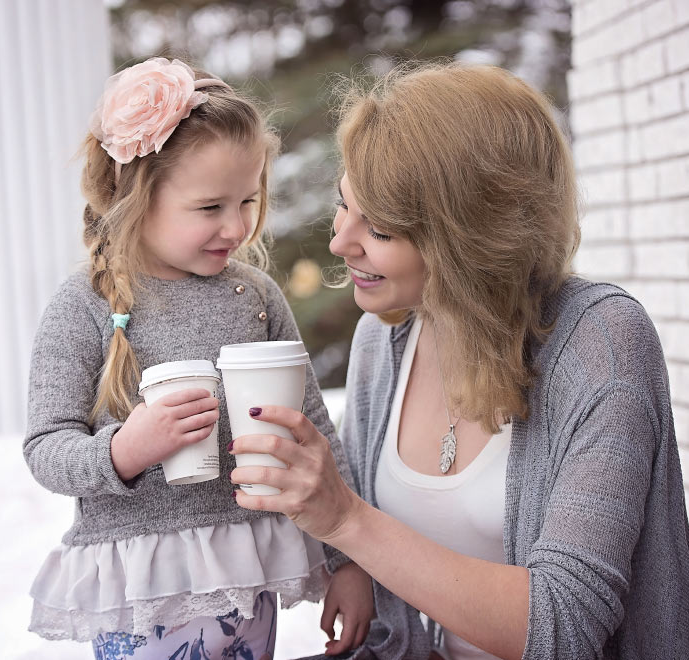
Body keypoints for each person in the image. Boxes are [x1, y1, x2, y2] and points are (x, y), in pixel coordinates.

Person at [229, 62, 689, 660]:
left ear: (470, 237)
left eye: (383, 229)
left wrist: (346, 519)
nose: (341, 242)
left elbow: (564, 627)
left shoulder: (601, 340)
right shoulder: (383, 341)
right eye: (344, 206)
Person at [23, 57, 373, 659]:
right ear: (135, 195)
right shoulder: (87, 303)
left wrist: (349, 560)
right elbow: (44, 448)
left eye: (248, 200)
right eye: (211, 207)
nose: (237, 227)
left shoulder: (255, 297)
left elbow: (312, 429)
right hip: (142, 586)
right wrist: (124, 451)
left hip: (244, 571)